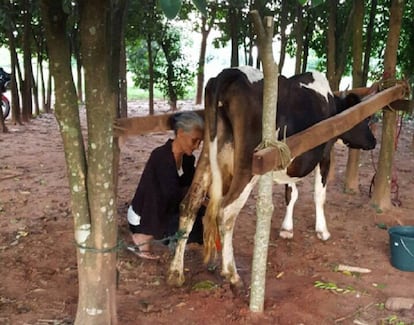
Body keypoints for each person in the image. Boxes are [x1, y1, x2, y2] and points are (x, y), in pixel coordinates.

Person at [127, 111, 205, 260]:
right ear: (180, 133)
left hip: (167, 209)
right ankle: (142, 236)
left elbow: (191, 187)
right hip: (144, 215)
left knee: (195, 216)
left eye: (200, 142)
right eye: (194, 140)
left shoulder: (188, 160)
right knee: (182, 219)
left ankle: (165, 236)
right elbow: (160, 197)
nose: (197, 146)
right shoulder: (160, 157)